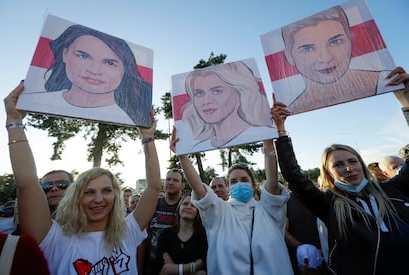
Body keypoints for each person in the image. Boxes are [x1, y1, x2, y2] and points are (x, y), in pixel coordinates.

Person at [5, 81, 161, 274]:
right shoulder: (54, 238)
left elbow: (154, 187)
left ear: (116, 196)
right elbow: (27, 183)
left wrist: (147, 137)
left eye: (106, 191)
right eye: (89, 192)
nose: (98, 199)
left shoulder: (127, 232)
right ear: (75, 197)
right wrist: (14, 122)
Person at [271, 95, 409, 274]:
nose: (348, 168)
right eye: (338, 165)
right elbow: (293, 175)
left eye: (353, 161)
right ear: (328, 173)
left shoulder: (393, 189)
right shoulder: (328, 203)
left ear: (361, 163)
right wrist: (281, 132)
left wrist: (406, 102)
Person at [171, 126, 293, 274]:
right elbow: (199, 189)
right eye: (233, 181)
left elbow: (272, 182)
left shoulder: (268, 210)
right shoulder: (219, 212)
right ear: (228, 187)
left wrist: (268, 141)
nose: (239, 184)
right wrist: (183, 157)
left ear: (254, 185)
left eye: (244, 180)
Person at [22, 24, 152, 126]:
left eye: (109, 63)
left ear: (126, 71)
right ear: (65, 54)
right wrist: (14, 121)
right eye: (84, 56)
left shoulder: (130, 121)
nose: (95, 70)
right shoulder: (34, 101)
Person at [282, 5, 390, 114]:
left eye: (335, 42)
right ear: (289, 56)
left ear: (350, 41)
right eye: (307, 49)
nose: (325, 58)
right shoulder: (290, 110)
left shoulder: (387, 81)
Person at [180, 61, 273, 150]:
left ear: (239, 93)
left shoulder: (267, 134)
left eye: (217, 91)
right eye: (199, 93)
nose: (206, 101)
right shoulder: (198, 147)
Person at [144, 168, 185, 275]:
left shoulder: (186, 207)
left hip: (177, 267)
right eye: (168, 179)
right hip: (151, 266)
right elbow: (143, 236)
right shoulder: (153, 205)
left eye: (175, 180)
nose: (171, 182)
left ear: (182, 185)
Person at [155, 193, 208, 275]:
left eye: (193, 205)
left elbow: (204, 269)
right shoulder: (165, 234)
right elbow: (163, 269)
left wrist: (174, 268)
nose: (188, 207)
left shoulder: (203, 236)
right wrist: (193, 267)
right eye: (185, 204)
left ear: (198, 212)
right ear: (179, 208)